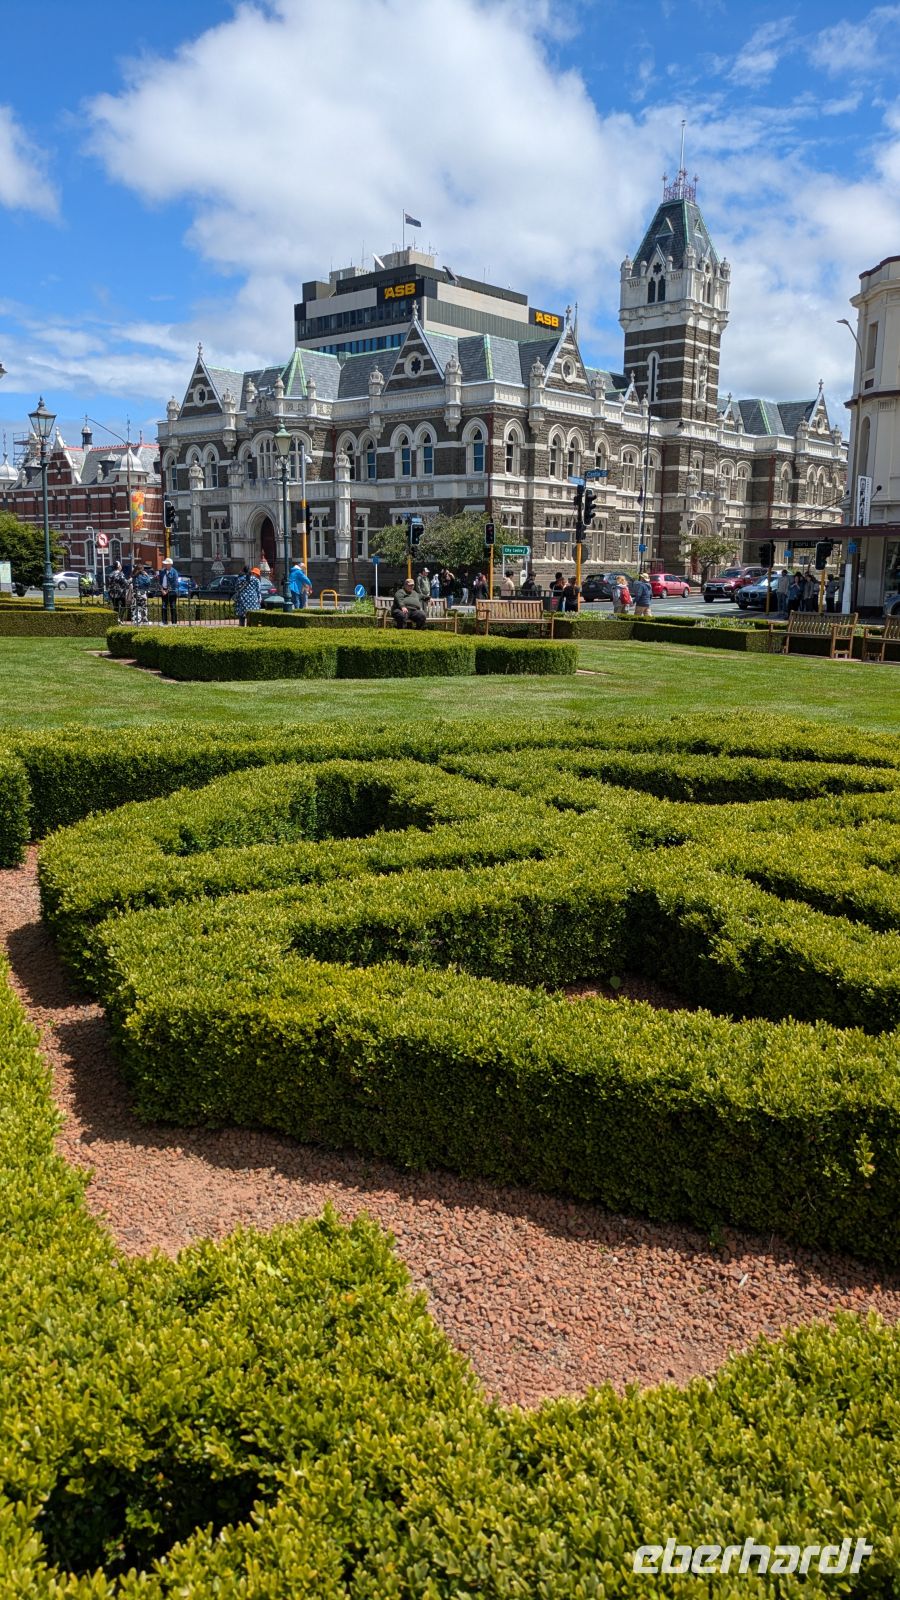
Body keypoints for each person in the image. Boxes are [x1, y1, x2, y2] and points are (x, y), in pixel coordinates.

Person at [159, 555, 180, 625]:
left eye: (166, 564)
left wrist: (167, 591)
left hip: (172, 592)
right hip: (164, 591)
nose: (165, 565)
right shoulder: (162, 571)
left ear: (170, 564)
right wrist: (162, 590)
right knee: (164, 606)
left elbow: (175, 583)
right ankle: (164, 621)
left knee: (173, 606)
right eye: (165, 563)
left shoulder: (174, 572)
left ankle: (174, 622)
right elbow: (160, 582)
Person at [128, 562, 150, 626]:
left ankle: (136, 621)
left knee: (136, 607)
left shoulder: (133, 576)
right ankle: (145, 620)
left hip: (135, 594)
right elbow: (148, 583)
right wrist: (147, 575)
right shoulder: (144, 576)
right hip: (142, 593)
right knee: (144, 607)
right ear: (142, 569)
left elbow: (128, 583)